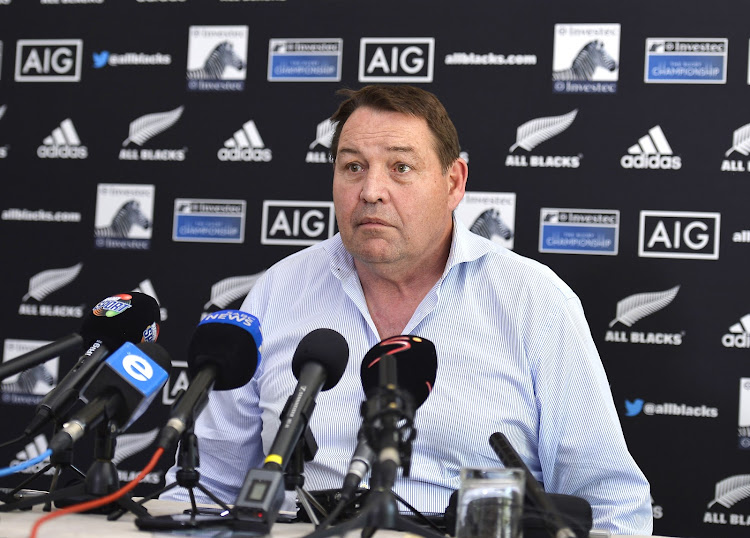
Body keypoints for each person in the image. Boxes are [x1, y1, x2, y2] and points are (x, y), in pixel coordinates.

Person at [163, 85, 653, 535]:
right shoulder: (279, 291)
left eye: (400, 167)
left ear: (454, 182)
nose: (371, 190)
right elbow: (206, 487)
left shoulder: (532, 299)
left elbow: (610, 503)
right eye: (352, 166)